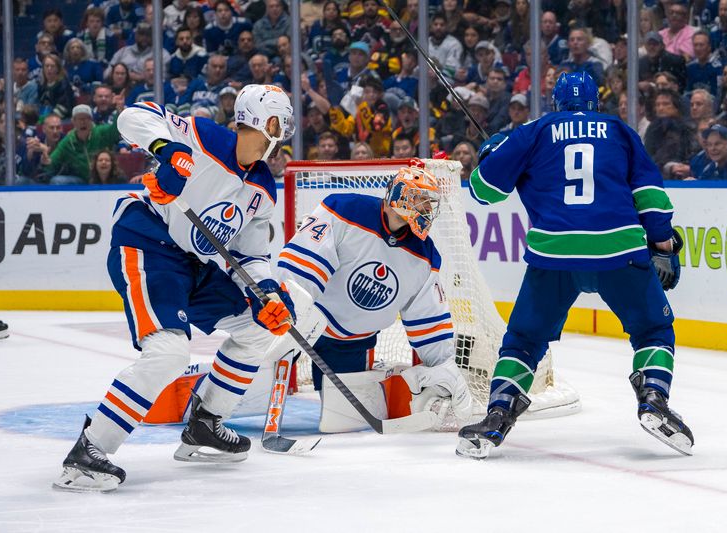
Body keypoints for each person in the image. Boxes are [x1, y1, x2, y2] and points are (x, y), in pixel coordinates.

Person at [54, 85, 296, 493]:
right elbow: (131, 116)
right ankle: (88, 451)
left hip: (194, 265)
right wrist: (168, 150)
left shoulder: (263, 190)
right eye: (280, 123)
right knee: (169, 353)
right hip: (148, 241)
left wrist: (265, 292)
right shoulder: (204, 136)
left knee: (259, 329)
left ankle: (205, 424)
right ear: (264, 120)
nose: (282, 134)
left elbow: (249, 257)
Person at [457, 72, 692, 459]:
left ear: (556, 102)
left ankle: (497, 416)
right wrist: (663, 243)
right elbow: (650, 193)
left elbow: (484, 192)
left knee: (524, 341)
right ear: (596, 103)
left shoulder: (534, 130)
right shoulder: (619, 130)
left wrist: (494, 154)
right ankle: (653, 398)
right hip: (620, 249)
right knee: (653, 330)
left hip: (554, 256)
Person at [274, 165, 471, 429]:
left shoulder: (424, 255)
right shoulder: (344, 210)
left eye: (429, 204)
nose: (428, 210)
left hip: (351, 343)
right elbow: (301, 268)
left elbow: (428, 318)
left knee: (342, 424)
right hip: (304, 323)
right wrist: (288, 310)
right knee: (250, 387)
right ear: (403, 197)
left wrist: (445, 365)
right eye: (422, 201)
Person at [46, 104, 122, 185]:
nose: (83, 122)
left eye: (86, 118)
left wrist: (119, 112)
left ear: (91, 120)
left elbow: (115, 130)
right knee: (57, 181)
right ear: (73, 121)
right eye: (79, 119)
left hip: (104, 178)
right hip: (82, 181)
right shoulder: (68, 141)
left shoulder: (101, 132)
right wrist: (45, 160)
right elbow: (52, 161)